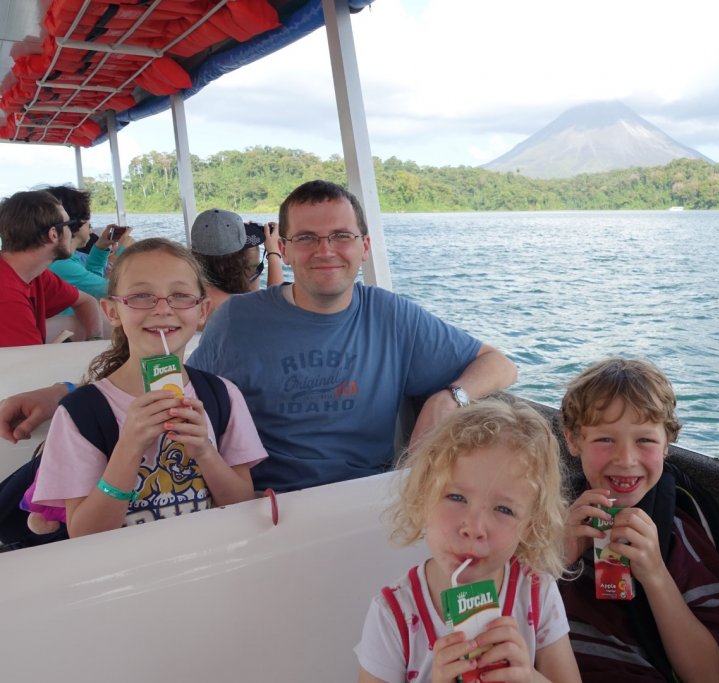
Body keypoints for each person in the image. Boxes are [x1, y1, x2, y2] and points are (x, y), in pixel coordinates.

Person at [0, 180, 517, 495]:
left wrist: (452, 397)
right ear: (283, 251)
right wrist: (64, 394)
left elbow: (499, 364)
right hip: (259, 503)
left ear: (363, 245)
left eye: (340, 236)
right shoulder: (239, 319)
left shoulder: (394, 315)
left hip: (367, 500)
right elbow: (170, 378)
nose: (325, 250)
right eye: (307, 238)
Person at [32, 238, 267, 536]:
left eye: (180, 295)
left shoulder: (223, 395)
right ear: (113, 312)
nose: (162, 309)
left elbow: (242, 504)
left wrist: (205, 451)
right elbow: (84, 534)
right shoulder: (81, 414)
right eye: (142, 296)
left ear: (203, 311)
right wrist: (128, 448)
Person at [355, 398, 580, 683]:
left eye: (504, 509)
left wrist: (530, 678)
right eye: (457, 497)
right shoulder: (393, 614)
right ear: (423, 498)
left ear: (529, 526)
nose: (474, 528)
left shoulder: (537, 593)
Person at [558, 358, 719, 682]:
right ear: (574, 441)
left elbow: (707, 674)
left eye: (644, 440)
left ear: (667, 444)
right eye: (605, 439)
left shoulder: (678, 536)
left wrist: (655, 573)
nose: (626, 459)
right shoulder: (549, 519)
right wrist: (554, 559)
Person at [0, 189, 102, 346]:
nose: (72, 232)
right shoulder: (7, 296)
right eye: (69, 225)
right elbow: (30, 365)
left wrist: (95, 341)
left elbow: (86, 301)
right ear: (53, 234)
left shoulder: (35, 275)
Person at [44, 184, 133, 301]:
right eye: (88, 223)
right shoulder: (61, 265)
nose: (90, 229)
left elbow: (91, 284)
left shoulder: (67, 259)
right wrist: (123, 253)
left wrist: (100, 248)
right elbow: (115, 291)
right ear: (78, 224)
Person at [189, 207, 284, 314]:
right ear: (244, 270)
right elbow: (278, 307)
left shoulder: (190, 303)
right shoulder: (245, 312)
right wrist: (274, 254)